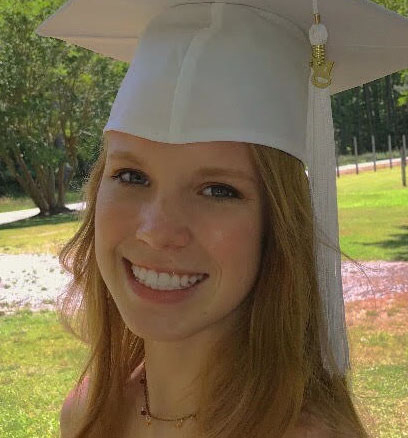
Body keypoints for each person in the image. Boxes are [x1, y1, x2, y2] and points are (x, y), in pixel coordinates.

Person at [36, 0, 408, 437]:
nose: (157, 231)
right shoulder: (88, 417)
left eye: (218, 190)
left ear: (278, 225)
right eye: (131, 176)